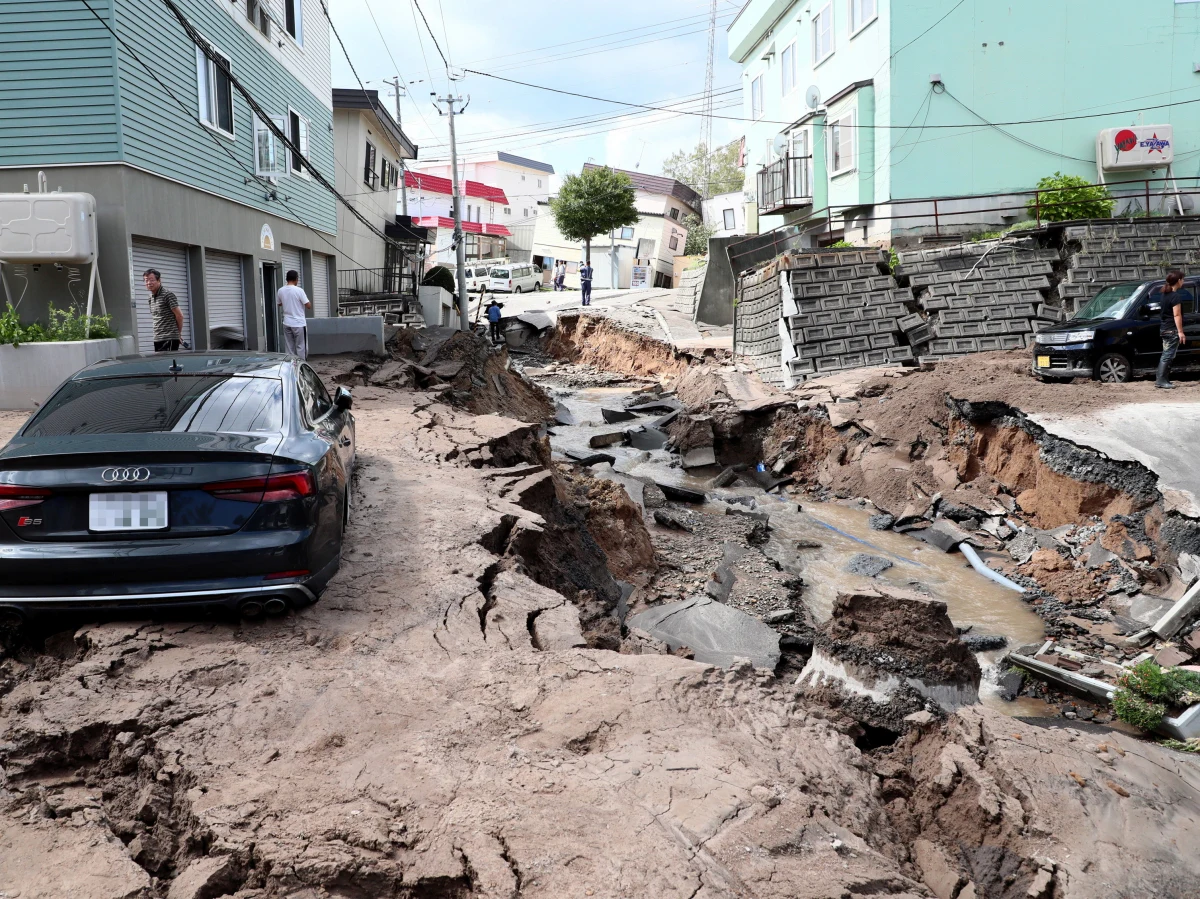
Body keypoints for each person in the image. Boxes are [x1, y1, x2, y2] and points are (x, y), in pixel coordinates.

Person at [1157, 270, 1188, 389]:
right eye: (1182, 279)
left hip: (1164, 329)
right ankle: (1161, 380)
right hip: (1171, 330)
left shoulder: (1164, 295)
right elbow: (1177, 315)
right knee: (1167, 355)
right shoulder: (1175, 296)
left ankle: (1163, 379)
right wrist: (1180, 332)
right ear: (1179, 281)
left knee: (1166, 354)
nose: (1183, 281)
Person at [143, 268, 183, 352]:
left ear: (159, 280)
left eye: (151, 280)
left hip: (169, 338)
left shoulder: (168, 295)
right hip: (158, 338)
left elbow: (179, 315)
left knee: (168, 364)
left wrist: (178, 334)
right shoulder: (150, 298)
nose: (148, 283)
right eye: (146, 280)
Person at [276, 270, 312, 360]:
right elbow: (308, 306)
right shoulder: (299, 290)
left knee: (289, 347)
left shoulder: (280, 290)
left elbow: (279, 303)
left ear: (286, 279)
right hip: (299, 323)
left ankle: (291, 366)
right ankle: (302, 367)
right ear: (296, 279)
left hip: (287, 323)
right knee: (301, 347)